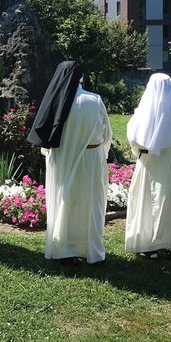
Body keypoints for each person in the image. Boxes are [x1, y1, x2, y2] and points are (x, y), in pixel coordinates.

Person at [28, 61, 112, 264]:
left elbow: (45, 139)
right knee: (90, 203)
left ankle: (63, 248)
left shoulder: (54, 102)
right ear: (81, 78)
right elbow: (106, 133)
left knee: (64, 201)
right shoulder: (94, 100)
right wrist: (103, 152)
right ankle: (89, 248)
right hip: (91, 159)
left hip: (61, 158)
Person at [124, 73, 171, 260]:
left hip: (149, 164)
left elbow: (133, 138)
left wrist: (139, 151)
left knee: (147, 201)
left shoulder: (142, 113)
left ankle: (147, 245)